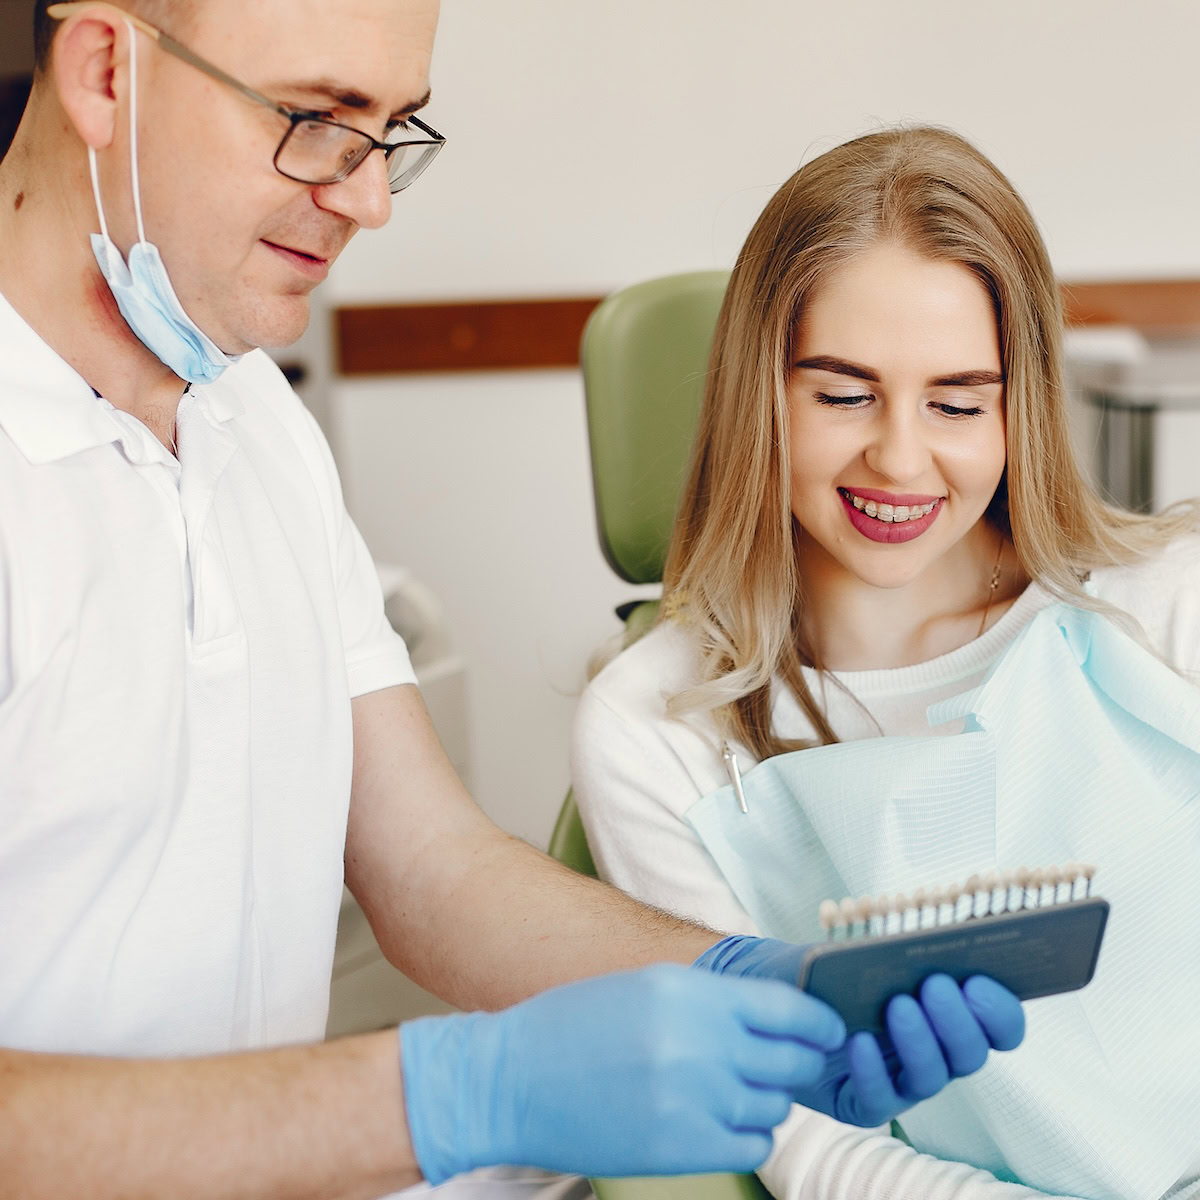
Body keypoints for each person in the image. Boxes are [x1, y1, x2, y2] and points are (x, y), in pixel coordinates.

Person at [0, 5, 1034, 1198]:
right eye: (316, 119)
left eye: (391, 130)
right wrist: (437, 1095)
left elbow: (429, 868)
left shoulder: (253, 424)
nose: (369, 198)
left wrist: (756, 983)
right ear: (104, 70)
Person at [571, 126, 1200, 1200]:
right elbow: (794, 1135)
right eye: (843, 394)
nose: (901, 457)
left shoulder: (1166, 603)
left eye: (957, 403)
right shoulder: (656, 728)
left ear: (1021, 407)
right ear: (756, 393)